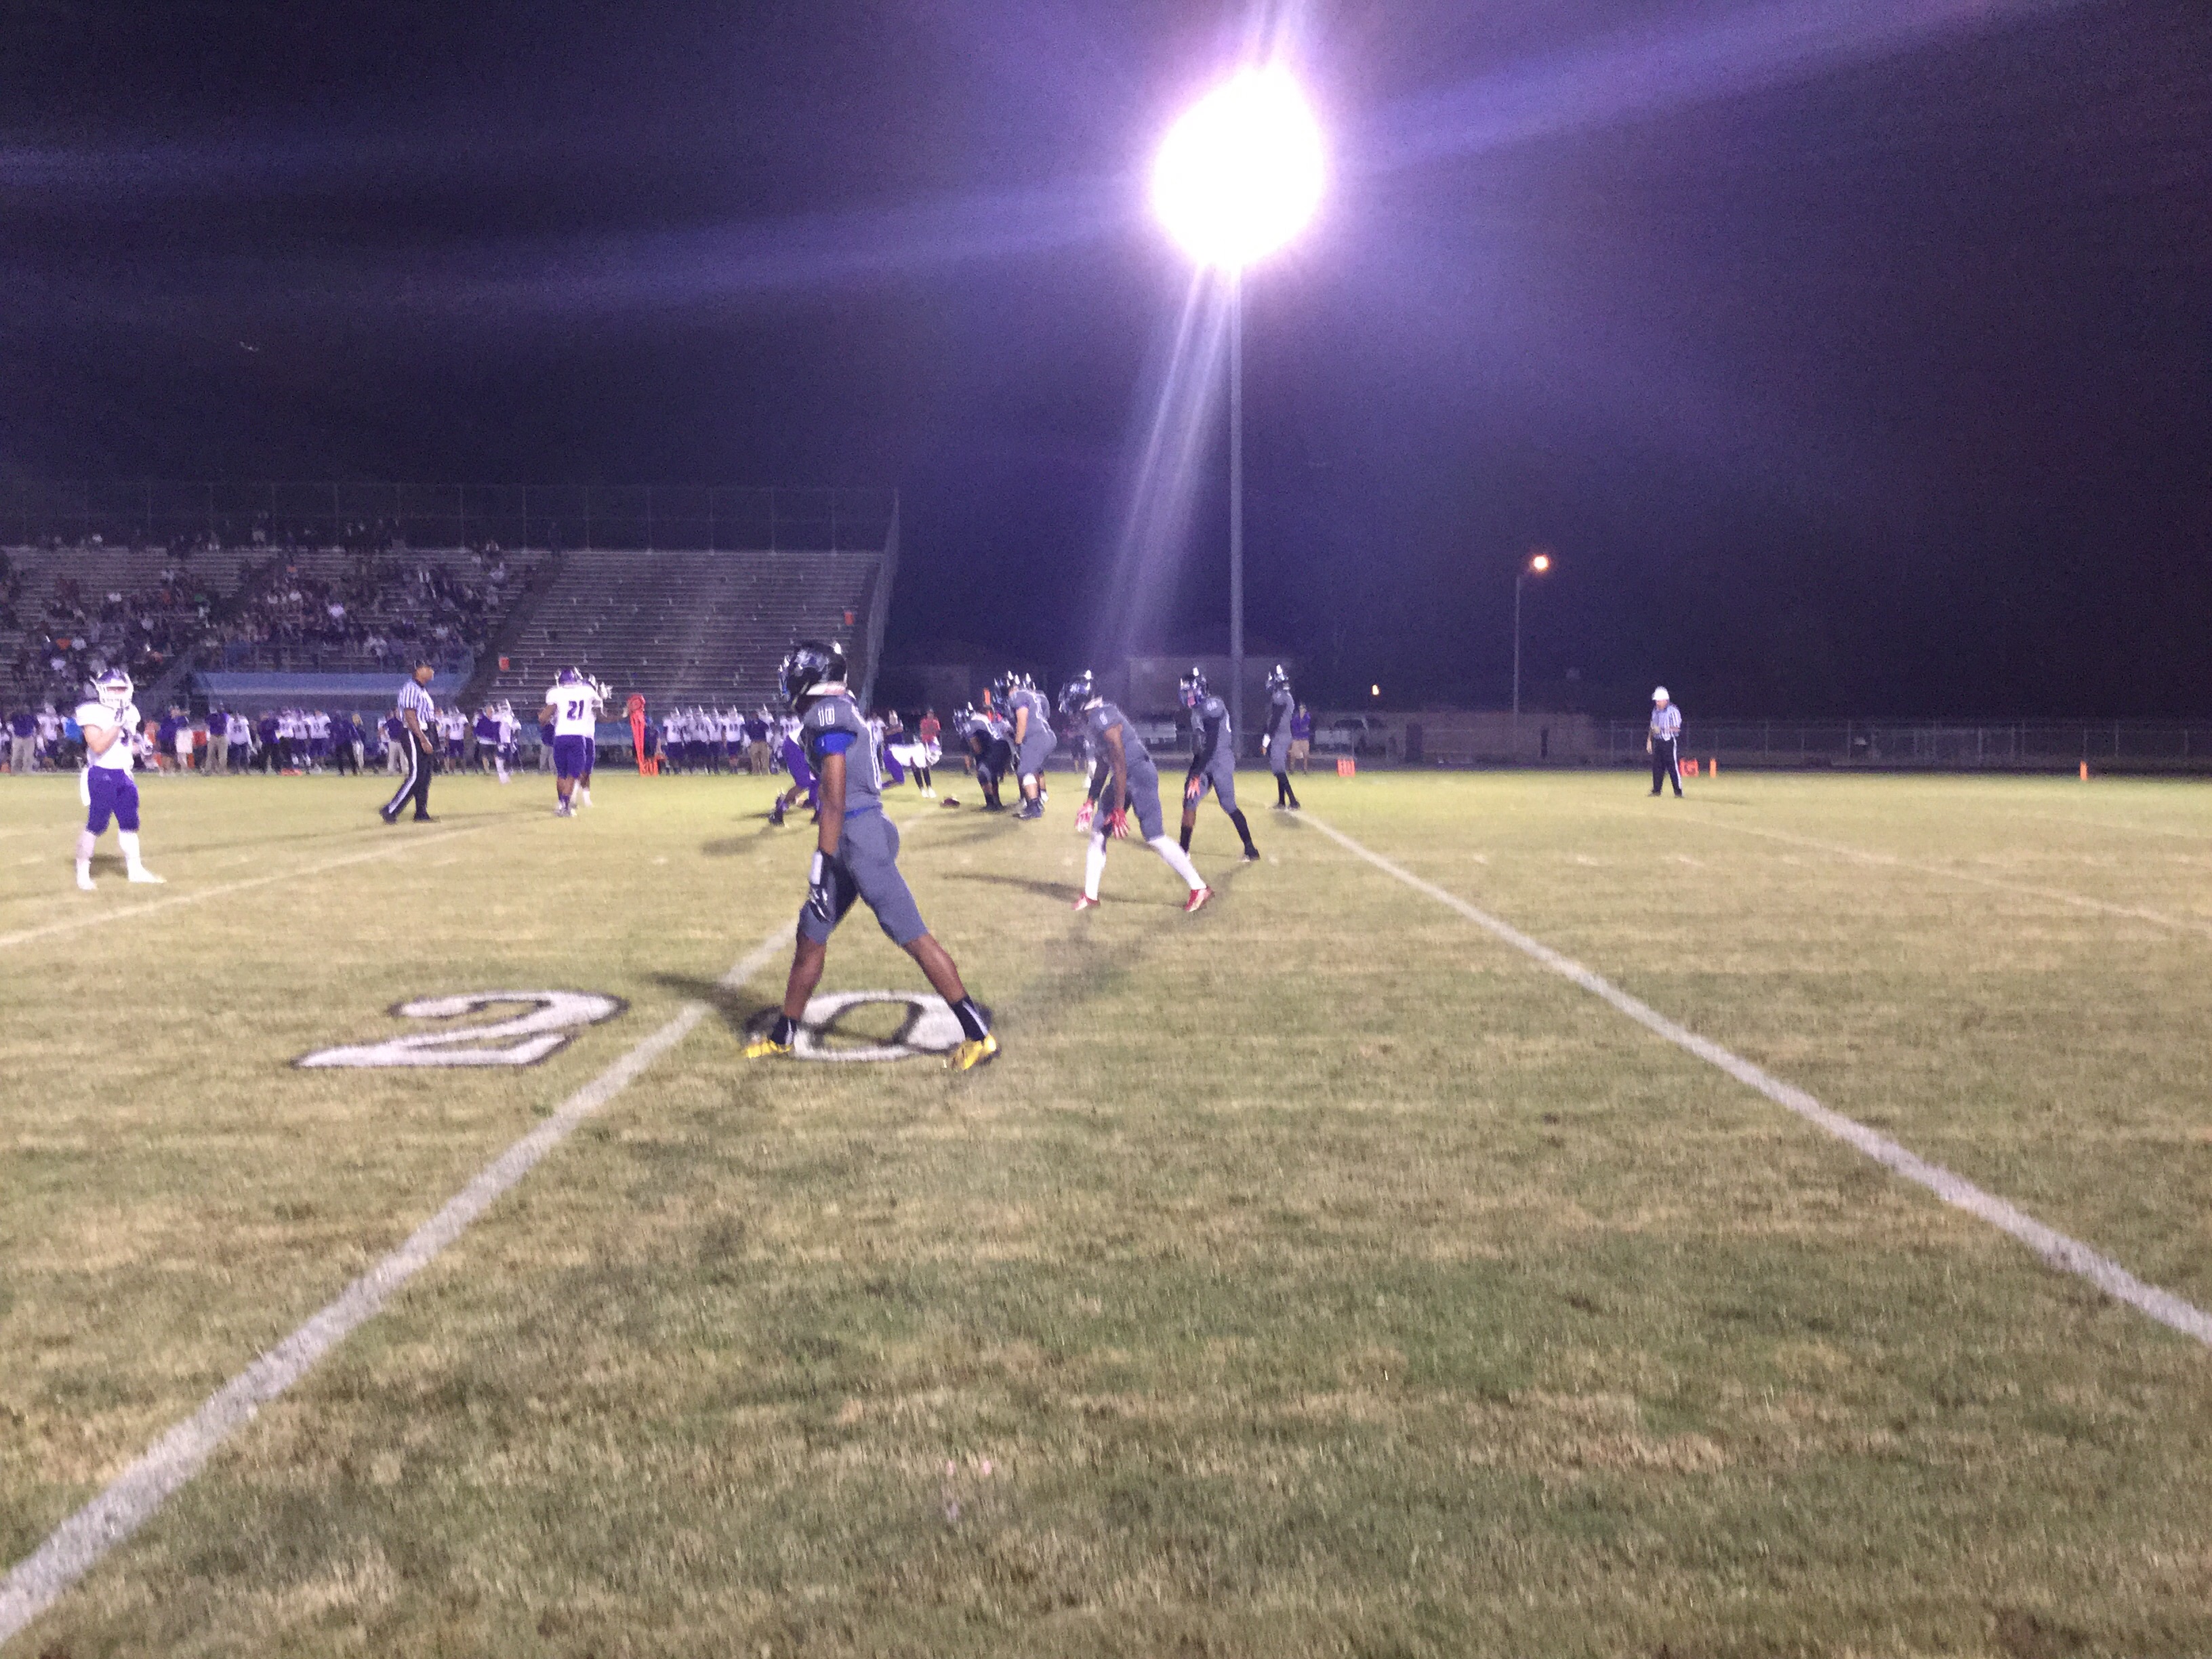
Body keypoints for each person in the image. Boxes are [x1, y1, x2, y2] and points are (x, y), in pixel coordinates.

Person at [745, 640, 998, 1072]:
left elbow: (834, 797)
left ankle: (978, 1035)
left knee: (913, 936)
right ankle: (784, 1035)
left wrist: (821, 862)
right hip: (854, 835)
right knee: (811, 932)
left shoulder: (827, 714)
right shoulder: (836, 710)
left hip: (859, 840)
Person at [1061, 670, 1211, 914]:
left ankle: (1199, 887)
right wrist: (1090, 800)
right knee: (1098, 831)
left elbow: (1120, 764)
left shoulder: (1103, 718)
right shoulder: (1092, 721)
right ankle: (1090, 895)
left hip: (1139, 774)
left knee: (1154, 836)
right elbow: (1104, 765)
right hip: (1123, 777)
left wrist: (1119, 808)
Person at [73, 669, 163, 890]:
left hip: (124, 774)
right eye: (112, 688)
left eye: (121, 689)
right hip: (101, 773)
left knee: (129, 823)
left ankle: (136, 870)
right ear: (102, 690)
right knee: (97, 824)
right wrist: (116, 724)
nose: (117, 693)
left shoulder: (130, 711)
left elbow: (124, 746)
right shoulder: (92, 711)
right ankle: (83, 874)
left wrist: (141, 748)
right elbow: (98, 746)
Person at [1179, 668, 1260, 859]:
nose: (1188, 696)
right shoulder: (1196, 711)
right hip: (1205, 760)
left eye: (1191, 692)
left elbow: (1212, 743)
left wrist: (1196, 774)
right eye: (1186, 693)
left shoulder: (1213, 705)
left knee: (1228, 805)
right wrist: (1195, 769)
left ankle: (1250, 849)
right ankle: (1183, 851)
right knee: (1189, 800)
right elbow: (1201, 747)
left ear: (1201, 689)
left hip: (1220, 760)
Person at [380, 659, 439, 824]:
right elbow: (410, 717)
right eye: (429, 668)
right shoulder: (411, 688)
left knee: (425, 776)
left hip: (424, 731)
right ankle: (390, 809)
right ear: (419, 671)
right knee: (416, 774)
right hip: (414, 733)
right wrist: (423, 739)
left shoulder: (421, 689)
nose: (432, 671)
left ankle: (421, 812)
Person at [539, 666, 604, 818]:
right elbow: (598, 707)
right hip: (577, 738)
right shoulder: (587, 691)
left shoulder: (556, 693)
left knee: (561, 773)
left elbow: (543, 718)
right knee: (572, 774)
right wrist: (602, 695)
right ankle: (565, 807)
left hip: (560, 737)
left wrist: (554, 717)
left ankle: (562, 803)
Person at [999, 673, 1057, 820]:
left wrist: (1018, 743)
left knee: (1024, 771)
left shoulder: (1017, 696)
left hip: (1036, 738)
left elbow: (1022, 719)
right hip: (1045, 735)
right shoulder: (1031, 695)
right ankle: (1037, 800)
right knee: (1032, 769)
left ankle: (1034, 807)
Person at [1261, 663, 1301, 810]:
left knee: (1279, 769)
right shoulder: (1286, 696)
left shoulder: (1280, 697)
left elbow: (1275, 720)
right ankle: (1282, 801)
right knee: (1279, 769)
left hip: (1280, 735)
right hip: (1282, 734)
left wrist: (1265, 741)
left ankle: (1293, 801)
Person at [1648, 686, 1683, 798]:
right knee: (1657, 767)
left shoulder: (1673, 711)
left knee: (1672, 767)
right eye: (1656, 701)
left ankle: (1678, 791)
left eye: (1659, 701)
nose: (1657, 703)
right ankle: (1656, 790)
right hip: (1658, 742)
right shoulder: (1655, 711)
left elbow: (1677, 729)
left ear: (1665, 700)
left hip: (1669, 742)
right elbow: (1652, 726)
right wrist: (1649, 740)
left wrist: (1663, 729)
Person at [9, 703, 39, 773]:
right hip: (18, 737)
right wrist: (13, 711)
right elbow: (7, 718)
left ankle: (27, 771)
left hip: (28, 737)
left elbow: (38, 726)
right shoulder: (15, 716)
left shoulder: (31, 716)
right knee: (16, 756)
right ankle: (15, 771)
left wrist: (36, 736)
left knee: (28, 756)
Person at [1290, 703, 1313, 773]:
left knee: (1306, 754)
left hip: (1304, 738)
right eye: (1300, 708)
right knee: (1293, 754)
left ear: (1305, 710)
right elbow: (1293, 725)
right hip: (1296, 738)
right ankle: (1292, 769)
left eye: (1302, 708)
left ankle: (1305, 769)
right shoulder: (1296, 717)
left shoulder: (1307, 717)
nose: (1301, 710)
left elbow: (1306, 725)